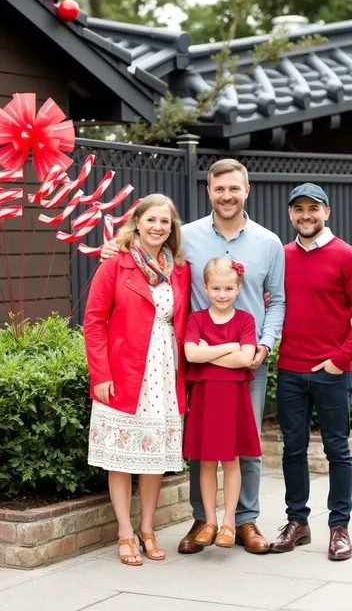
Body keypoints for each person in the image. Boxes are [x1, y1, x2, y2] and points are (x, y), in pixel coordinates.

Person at [101, 158, 286, 555]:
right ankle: (203, 519)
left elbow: (278, 301)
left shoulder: (268, 242)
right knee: (198, 444)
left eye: (234, 188)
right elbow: (142, 256)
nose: (227, 195)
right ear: (209, 191)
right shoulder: (187, 240)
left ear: (246, 190)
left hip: (247, 361)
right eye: (219, 189)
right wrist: (114, 247)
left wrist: (265, 345)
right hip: (194, 363)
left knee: (245, 445)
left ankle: (245, 521)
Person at [269, 183, 352, 561]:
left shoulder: (347, 256)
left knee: (337, 450)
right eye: (298, 209)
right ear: (290, 215)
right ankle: (297, 522)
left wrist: (340, 360)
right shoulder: (281, 257)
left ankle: (339, 527)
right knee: (292, 450)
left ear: (326, 212)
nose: (306, 215)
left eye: (313, 208)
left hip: (332, 373)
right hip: (290, 370)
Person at [83, 193, 190, 566]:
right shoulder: (116, 264)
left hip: (165, 372)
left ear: (171, 227)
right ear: (137, 223)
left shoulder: (179, 268)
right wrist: (101, 374)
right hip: (126, 372)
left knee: (154, 456)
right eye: (151, 220)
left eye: (165, 222)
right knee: (122, 458)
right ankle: (125, 531)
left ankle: (147, 528)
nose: (158, 227)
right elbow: (94, 322)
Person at [183, 258, 261, 549]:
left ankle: (229, 522)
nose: (221, 294)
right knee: (205, 462)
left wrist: (212, 352)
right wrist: (231, 347)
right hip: (205, 398)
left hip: (232, 398)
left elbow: (245, 358)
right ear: (205, 287)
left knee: (231, 461)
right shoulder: (197, 319)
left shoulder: (245, 320)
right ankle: (209, 521)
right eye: (215, 288)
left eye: (228, 288)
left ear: (238, 288)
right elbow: (191, 355)